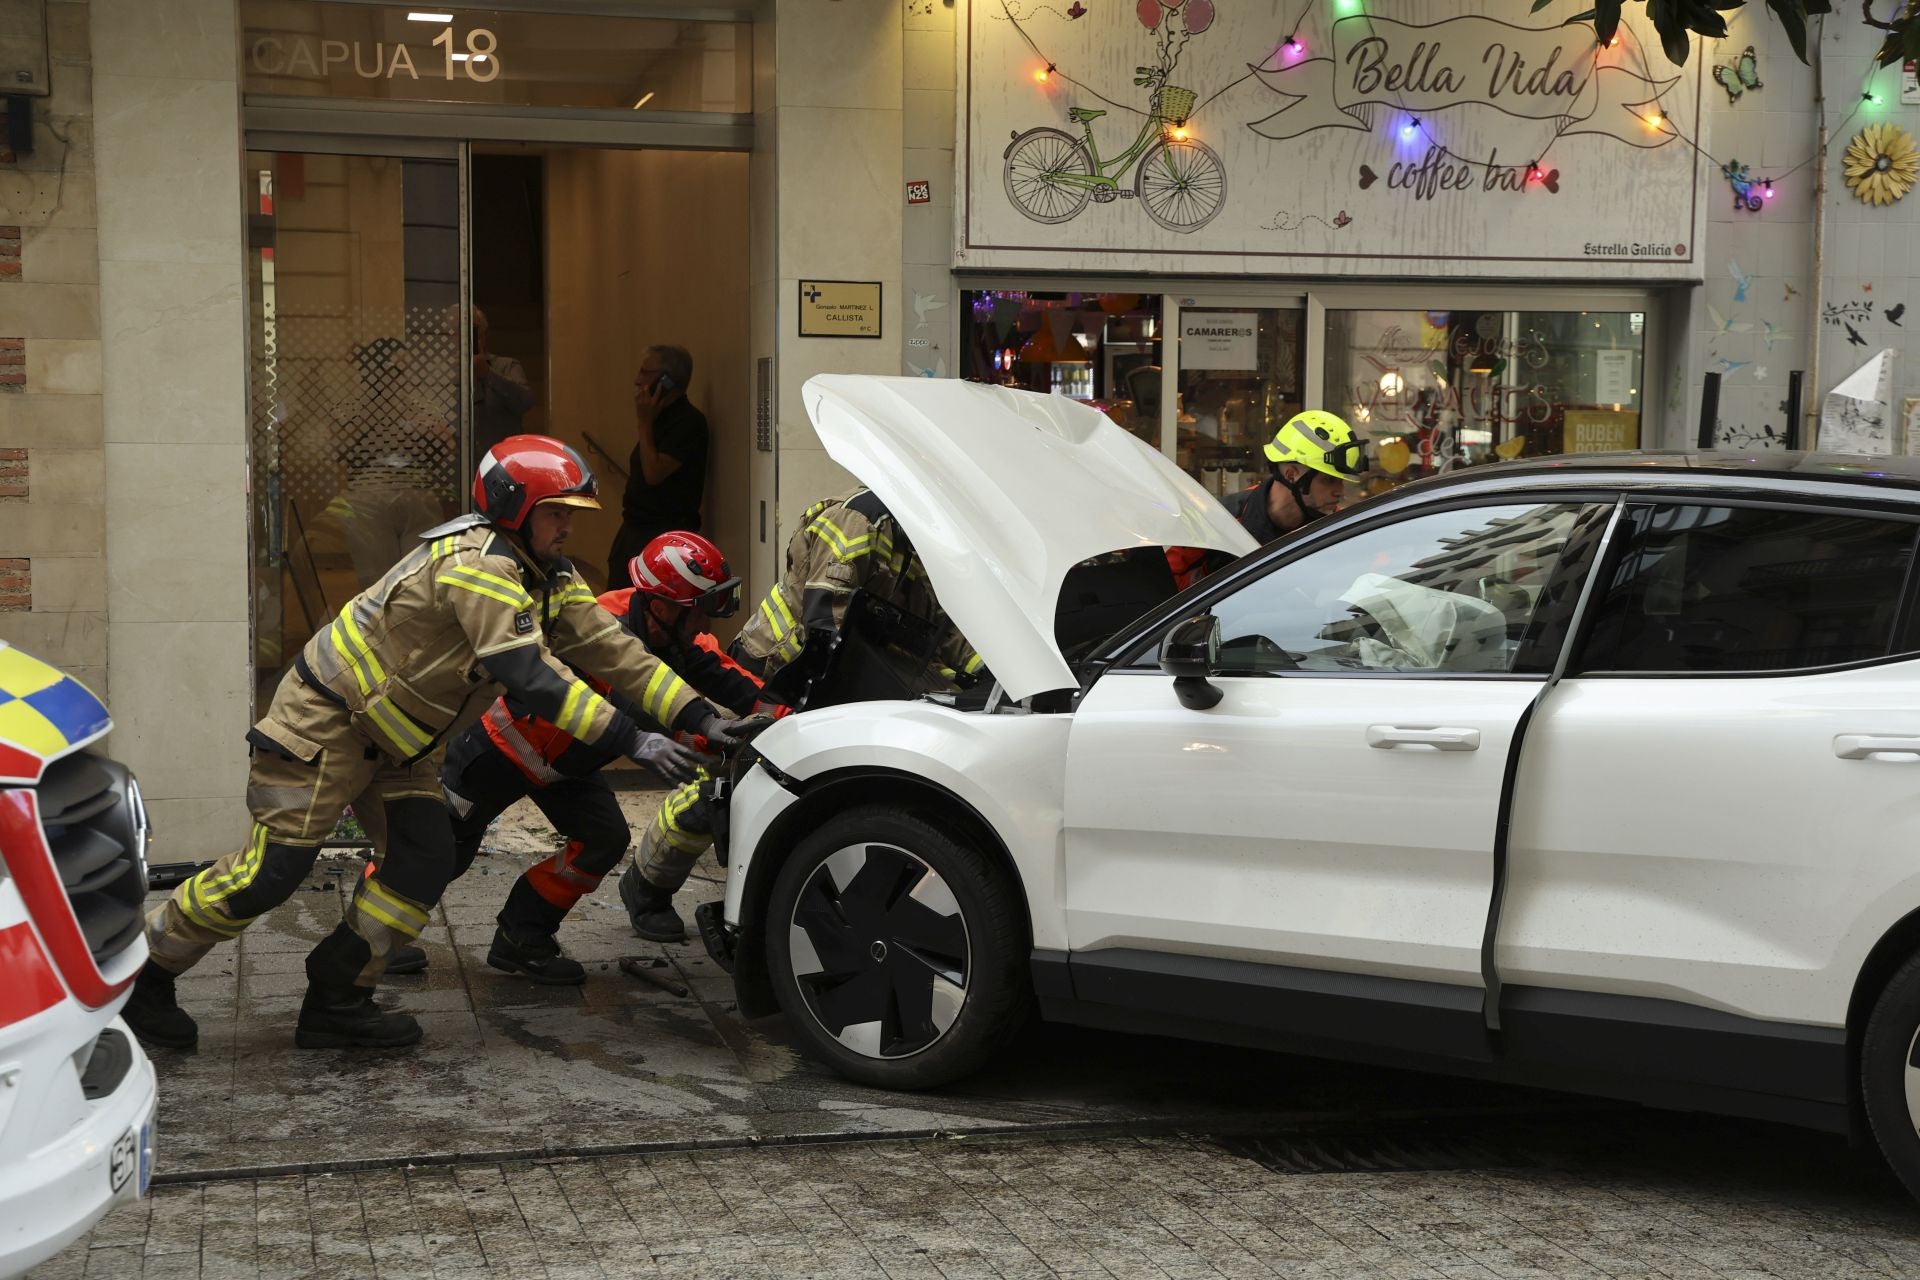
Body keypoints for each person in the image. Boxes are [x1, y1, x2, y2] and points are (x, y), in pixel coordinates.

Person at [123, 435, 764, 1053]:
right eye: (558, 512)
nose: (569, 526)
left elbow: (615, 650)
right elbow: (530, 674)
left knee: (421, 859)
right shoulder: (477, 563)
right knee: (271, 872)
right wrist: (635, 740)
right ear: (516, 506)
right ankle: (140, 981)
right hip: (328, 724)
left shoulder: (546, 573)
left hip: (401, 743)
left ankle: (338, 1000)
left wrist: (702, 719)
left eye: (571, 513)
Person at [430, 531, 780, 976]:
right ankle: (369, 941)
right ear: (663, 604)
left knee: (603, 839)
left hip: (569, 767)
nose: (706, 626)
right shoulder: (604, 624)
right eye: (699, 612)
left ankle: (522, 937)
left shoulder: (675, 637)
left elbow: (728, 680)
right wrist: (710, 739)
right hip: (498, 754)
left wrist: (787, 718)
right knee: (441, 853)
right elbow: (637, 706)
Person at [1167, 410, 1361, 590]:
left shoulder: (1335, 529)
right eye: (1329, 480)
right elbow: (1164, 582)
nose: (1340, 491)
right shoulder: (1221, 519)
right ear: (1292, 475)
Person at [333, 337, 454, 588]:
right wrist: (375, 414)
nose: (398, 377)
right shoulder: (351, 408)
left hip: (417, 492)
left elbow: (448, 447)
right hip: (369, 495)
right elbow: (338, 449)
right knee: (376, 581)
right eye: (390, 370)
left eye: (403, 370)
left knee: (422, 579)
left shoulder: (423, 408)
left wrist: (415, 429)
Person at [607, 346, 709, 589]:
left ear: (667, 379)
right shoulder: (658, 417)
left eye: (645, 372)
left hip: (662, 538)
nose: (637, 380)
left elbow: (653, 473)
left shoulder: (688, 421)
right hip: (635, 529)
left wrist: (643, 422)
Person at [472, 306, 535, 459]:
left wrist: (486, 373)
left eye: (473, 330)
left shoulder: (507, 366)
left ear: (484, 334)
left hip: (501, 462)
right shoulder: (441, 374)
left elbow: (525, 401)